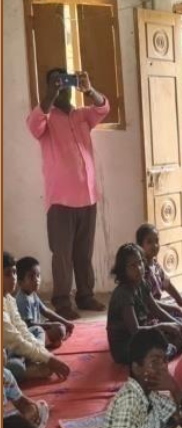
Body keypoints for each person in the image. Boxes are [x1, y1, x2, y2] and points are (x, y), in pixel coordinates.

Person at [26, 69, 109, 320]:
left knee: (83, 253)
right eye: (57, 83)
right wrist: (49, 95)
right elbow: (33, 125)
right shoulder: (45, 117)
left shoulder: (82, 115)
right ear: (49, 87)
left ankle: (85, 295)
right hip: (61, 200)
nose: (63, 87)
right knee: (62, 255)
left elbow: (103, 109)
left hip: (88, 197)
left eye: (66, 82)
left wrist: (89, 89)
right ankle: (62, 301)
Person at [106, 244, 182, 366]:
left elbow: (156, 310)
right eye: (132, 266)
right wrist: (165, 326)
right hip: (126, 346)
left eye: (140, 262)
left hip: (142, 334)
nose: (139, 268)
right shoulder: (123, 294)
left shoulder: (141, 283)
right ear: (122, 270)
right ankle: (165, 354)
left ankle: (168, 349)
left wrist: (179, 325)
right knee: (170, 336)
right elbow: (136, 330)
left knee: (178, 327)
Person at [2, 252, 70, 383]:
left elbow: (22, 331)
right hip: (8, 349)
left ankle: (27, 361)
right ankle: (24, 370)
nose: (13, 278)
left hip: (10, 346)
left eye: (14, 272)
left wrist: (46, 356)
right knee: (13, 366)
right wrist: (49, 359)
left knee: (35, 331)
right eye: (7, 274)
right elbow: (16, 341)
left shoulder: (9, 299)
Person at [15, 256, 74, 350]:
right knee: (59, 330)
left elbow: (45, 311)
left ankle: (48, 341)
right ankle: (44, 344)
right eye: (31, 276)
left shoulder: (32, 294)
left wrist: (66, 322)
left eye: (38, 275)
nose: (37, 280)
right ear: (20, 282)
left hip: (37, 327)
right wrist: (49, 326)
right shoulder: (23, 300)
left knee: (60, 325)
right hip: (28, 333)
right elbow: (28, 325)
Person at [136, 224, 182, 322]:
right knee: (180, 320)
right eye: (149, 242)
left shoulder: (156, 267)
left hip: (158, 308)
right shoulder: (141, 271)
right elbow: (149, 303)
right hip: (147, 315)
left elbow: (171, 289)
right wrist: (176, 308)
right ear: (140, 246)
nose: (155, 245)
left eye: (156, 241)